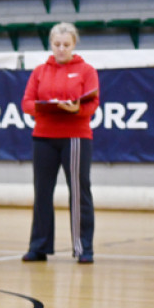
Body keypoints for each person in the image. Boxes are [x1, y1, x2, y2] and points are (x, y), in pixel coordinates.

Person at [20, 22, 100, 264]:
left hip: (75, 137)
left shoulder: (86, 71)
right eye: (57, 44)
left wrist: (75, 109)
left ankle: (83, 248)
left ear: (74, 45)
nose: (61, 49)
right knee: (42, 193)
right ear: (50, 44)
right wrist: (46, 107)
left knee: (78, 192)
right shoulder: (39, 71)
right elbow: (26, 103)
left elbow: (92, 104)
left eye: (66, 45)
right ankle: (39, 246)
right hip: (43, 137)